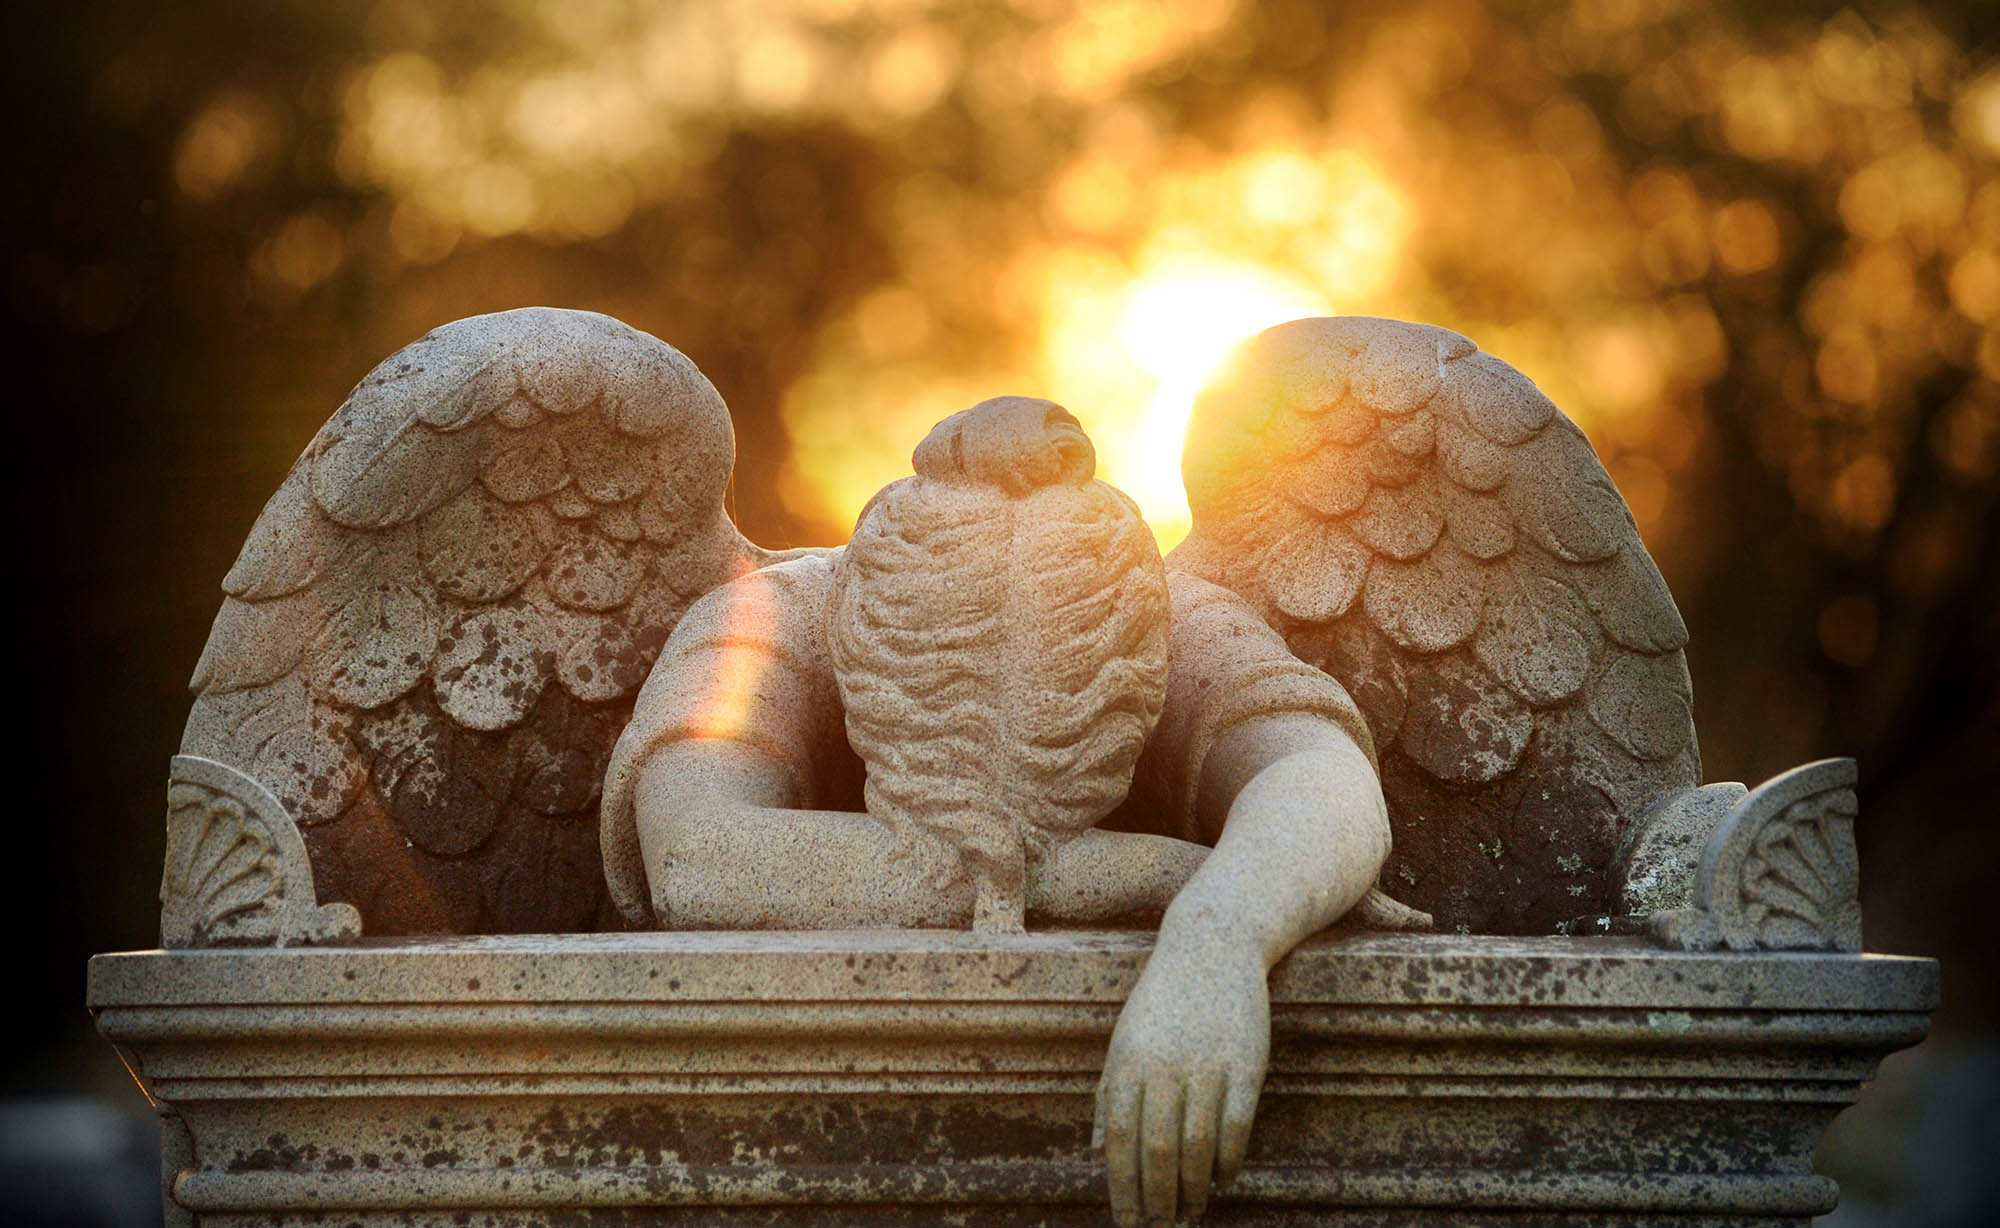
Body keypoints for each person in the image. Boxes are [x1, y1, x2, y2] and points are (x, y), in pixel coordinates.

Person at [598, 399, 1394, 1226]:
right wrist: (1137, 870)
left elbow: (1322, 775)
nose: (1019, 825)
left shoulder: (1167, 612)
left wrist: (1220, 939)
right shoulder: (773, 615)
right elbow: (698, 855)